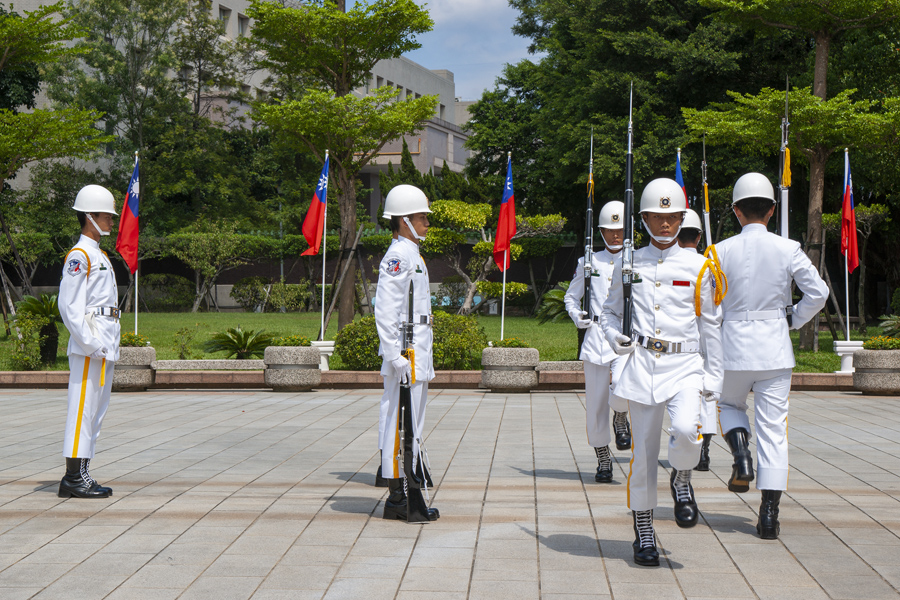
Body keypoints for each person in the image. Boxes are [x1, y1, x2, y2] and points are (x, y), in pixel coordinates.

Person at [601, 178, 723, 567]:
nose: (666, 224)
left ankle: (682, 476)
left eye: (672, 217)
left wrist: (713, 380)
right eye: (658, 216)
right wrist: (612, 335)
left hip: (685, 364)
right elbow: (608, 312)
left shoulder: (700, 265)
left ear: (681, 217)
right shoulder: (628, 261)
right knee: (643, 456)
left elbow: (711, 325)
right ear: (644, 219)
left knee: (688, 431)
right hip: (642, 365)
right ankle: (644, 531)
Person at [715, 173, 827, 539]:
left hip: (731, 347)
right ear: (772, 209)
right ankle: (768, 514)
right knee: (775, 431)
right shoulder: (788, 248)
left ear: (736, 211)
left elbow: (706, 304)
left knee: (729, 405)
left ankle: (741, 456)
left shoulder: (719, 251)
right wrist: (793, 318)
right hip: (775, 349)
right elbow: (818, 293)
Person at [374, 184, 439, 522]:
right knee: (397, 421)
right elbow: (385, 309)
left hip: (417, 350)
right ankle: (399, 495)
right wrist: (393, 354)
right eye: (421, 217)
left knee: (414, 421)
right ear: (404, 221)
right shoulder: (399, 256)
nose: (427, 223)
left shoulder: (412, 252)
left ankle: (410, 486)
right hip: (404, 352)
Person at [57, 185, 121, 499]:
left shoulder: (99, 255)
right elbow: (69, 307)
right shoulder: (79, 256)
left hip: (103, 342)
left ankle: (82, 472)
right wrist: (89, 342)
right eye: (106, 215)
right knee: (81, 409)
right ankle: (72, 477)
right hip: (90, 344)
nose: (111, 220)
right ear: (89, 217)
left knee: (95, 410)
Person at [564, 201, 632, 483]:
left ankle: (620, 416)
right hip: (595, 339)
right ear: (601, 231)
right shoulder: (588, 262)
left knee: (624, 386)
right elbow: (571, 296)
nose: (615, 236)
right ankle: (603, 460)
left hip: (624, 337)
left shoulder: (636, 260)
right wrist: (576, 314)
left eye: (620, 230)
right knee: (595, 405)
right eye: (609, 230)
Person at [677, 209, 717, 471]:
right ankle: (704, 450)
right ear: (700, 235)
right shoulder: (710, 266)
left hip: (685, 340)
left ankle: (691, 445)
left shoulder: (676, 263)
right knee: (708, 394)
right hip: (709, 335)